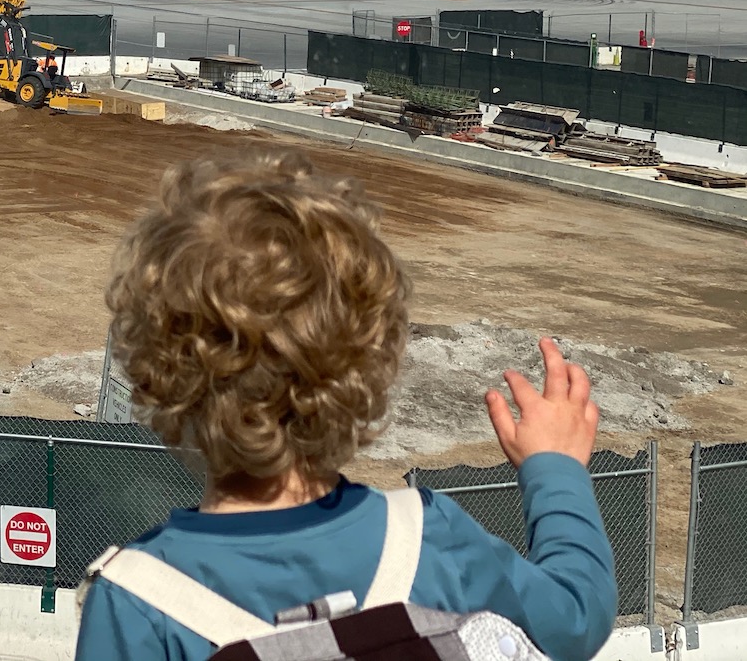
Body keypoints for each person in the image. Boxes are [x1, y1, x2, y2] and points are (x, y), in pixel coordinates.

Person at [76, 149, 615, 661]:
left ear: (155, 379)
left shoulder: (138, 602)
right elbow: (575, 618)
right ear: (371, 367)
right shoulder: (429, 537)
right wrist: (555, 469)